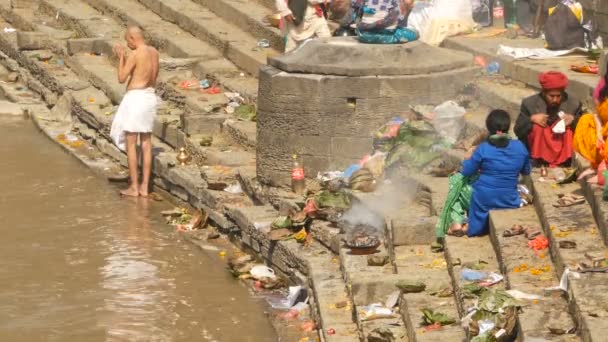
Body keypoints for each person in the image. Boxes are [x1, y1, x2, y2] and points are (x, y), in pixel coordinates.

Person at [448, 110, 531, 237]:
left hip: (484, 200)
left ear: (488, 128)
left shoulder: (483, 149)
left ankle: (460, 223)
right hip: (509, 200)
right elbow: (526, 170)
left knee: (456, 182)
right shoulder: (520, 147)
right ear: (508, 127)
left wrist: (468, 157)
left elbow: (466, 171)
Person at [110, 26, 159, 197]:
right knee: (146, 142)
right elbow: (154, 76)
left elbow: (122, 78)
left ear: (132, 38)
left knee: (131, 143)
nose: (127, 44)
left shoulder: (136, 53)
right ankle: (145, 187)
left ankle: (134, 187)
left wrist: (121, 57)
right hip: (150, 97)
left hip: (136, 98)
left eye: (127, 41)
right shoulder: (154, 52)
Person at [514, 71, 583, 167]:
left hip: (561, 145)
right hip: (538, 147)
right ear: (543, 93)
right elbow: (518, 131)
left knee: (568, 130)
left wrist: (574, 120)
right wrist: (531, 119)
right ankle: (538, 159)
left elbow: (584, 128)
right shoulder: (529, 104)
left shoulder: (574, 104)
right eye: (551, 96)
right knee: (537, 128)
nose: (555, 100)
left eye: (558, 96)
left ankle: (565, 161)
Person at [574, 67, 608, 184]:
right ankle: (596, 165)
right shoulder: (603, 84)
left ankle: (603, 174)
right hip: (604, 125)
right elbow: (597, 114)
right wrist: (599, 132)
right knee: (585, 121)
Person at [340, 0, 417, 44]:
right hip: (385, 35)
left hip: (364, 35)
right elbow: (395, 18)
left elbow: (351, 16)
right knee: (414, 33)